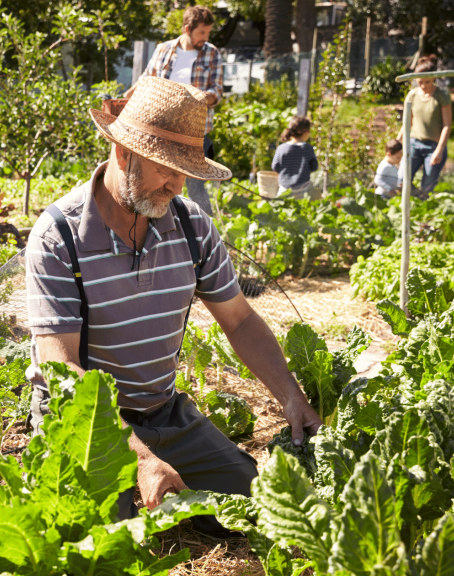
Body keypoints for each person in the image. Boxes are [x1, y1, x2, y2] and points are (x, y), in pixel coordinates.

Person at [25, 76, 323, 537]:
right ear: (123, 153)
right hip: (84, 428)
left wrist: (289, 394)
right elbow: (60, 368)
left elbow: (240, 320)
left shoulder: (190, 225)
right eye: (166, 167)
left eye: (186, 169)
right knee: (105, 545)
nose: (178, 184)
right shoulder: (58, 236)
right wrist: (140, 457)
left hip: (163, 414)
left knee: (256, 508)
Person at [125, 5, 222, 215]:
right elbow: (147, 79)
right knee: (159, 180)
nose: (205, 37)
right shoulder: (164, 49)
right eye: (202, 32)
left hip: (194, 132)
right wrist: (127, 96)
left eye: (208, 32)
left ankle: (204, 226)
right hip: (160, 130)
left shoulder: (212, 53)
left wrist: (203, 97)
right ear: (187, 29)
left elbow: (218, 89)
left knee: (195, 185)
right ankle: (161, 221)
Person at [398, 55, 452, 199]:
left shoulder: (441, 95)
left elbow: (447, 125)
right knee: (402, 180)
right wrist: (398, 142)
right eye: (419, 82)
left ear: (434, 78)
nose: (423, 85)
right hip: (414, 143)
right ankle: (409, 206)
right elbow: (407, 122)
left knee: (427, 186)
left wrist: (439, 150)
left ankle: (422, 209)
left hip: (434, 146)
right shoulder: (412, 95)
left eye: (427, 82)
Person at [270, 116, 318, 198]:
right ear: (306, 132)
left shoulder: (281, 148)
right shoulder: (308, 148)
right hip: (303, 190)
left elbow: (275, 167)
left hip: (284, 188)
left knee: (281, 208)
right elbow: (314, 167)